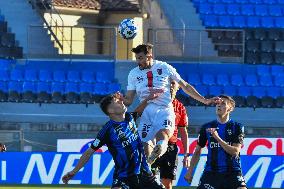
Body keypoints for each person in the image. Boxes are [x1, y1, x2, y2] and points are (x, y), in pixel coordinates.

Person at [119, 43, 220, 165]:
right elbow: (129, 100)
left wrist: (205, 100)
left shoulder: (165, 67)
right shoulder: (133, 74)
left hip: (164, 109)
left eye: (140, 58)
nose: (138, 61)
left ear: (149, 56)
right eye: (136, 58)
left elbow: (185, 86)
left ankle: (160, 147)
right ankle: (149, 165)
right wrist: (121, 100)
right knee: (145, 145)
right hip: (147, 111)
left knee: (163, 134)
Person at [62, 94, 164, 189]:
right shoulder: (107, 130)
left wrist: (150, 98)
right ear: (110, 110)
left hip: (145, 173)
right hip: (126, 177)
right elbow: (89, 152)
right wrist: (74, 171)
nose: (121, 101)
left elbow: (139, 110)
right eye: (117, 101)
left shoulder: (129, 117)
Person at [135, 80, 190, 189]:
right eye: (168, 83)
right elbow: (137, 114)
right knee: (149, 180)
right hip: (152, 144)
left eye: (173, 83)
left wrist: (186, 154)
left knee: (167, 183)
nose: (170, 85)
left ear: (178, 87)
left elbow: (183, 131)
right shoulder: (153, 102)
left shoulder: (180, 107)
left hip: (170, 148)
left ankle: (161, 146)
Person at [184, 95, 247, 189]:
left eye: (223, 104)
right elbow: (197, 151)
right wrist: (190, 171)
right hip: (211, 173)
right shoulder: (206, 127)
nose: (219, 106)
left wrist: (217, 138)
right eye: (217, 104)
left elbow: (235, 151)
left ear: (230, 108)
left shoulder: (237, 127)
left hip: (232, 172)